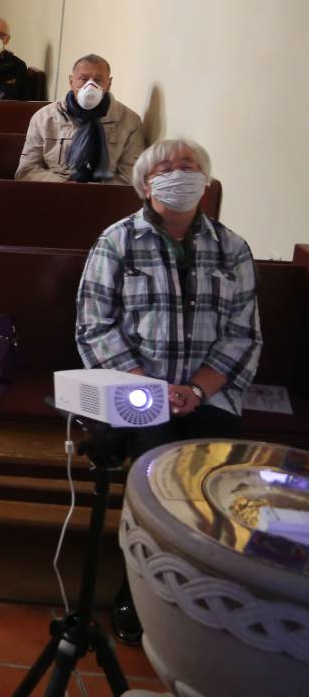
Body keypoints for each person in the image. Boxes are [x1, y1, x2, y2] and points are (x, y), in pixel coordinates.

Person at [75, 138, 261, 645]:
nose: (180, 174)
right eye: (168, 168)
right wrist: (151, 388)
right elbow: (94, 326)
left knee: (211, 476)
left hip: (208, 393)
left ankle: (211, 588)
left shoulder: (231, 248)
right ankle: (142, 590)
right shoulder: (118, 241)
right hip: (134, 387)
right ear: (146, 184)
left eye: (190, 166)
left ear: (205, 181)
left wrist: (196, 391)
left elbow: (243, 334)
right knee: (158, 474)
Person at [16, 54, 146, 183]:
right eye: (83, 79)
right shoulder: (44, 118)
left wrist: (92, 191)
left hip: (105, 197)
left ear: (109, 84)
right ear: (71, 81)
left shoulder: (129, 121)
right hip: (56, 193)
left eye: (98, 80)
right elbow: (27, 170)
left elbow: (131, 175)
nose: (90, 86)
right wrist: (65, 186)